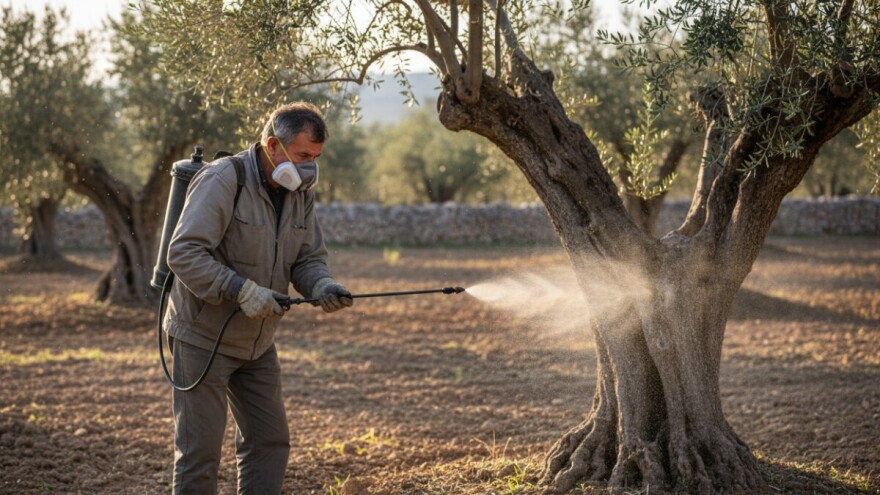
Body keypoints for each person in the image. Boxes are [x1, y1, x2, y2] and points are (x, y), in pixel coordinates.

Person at [164, 101, 353, 494]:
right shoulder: (222, 180)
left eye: (315, 158)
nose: (308, 167)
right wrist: (241, 290)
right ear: (272, 145)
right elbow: (183, 253)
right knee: (200, 455)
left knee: (269, 442)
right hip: (202, 338)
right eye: (302, 156)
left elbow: (308, 258)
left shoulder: (299, 191)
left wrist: (321, 285)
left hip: (258, 341)